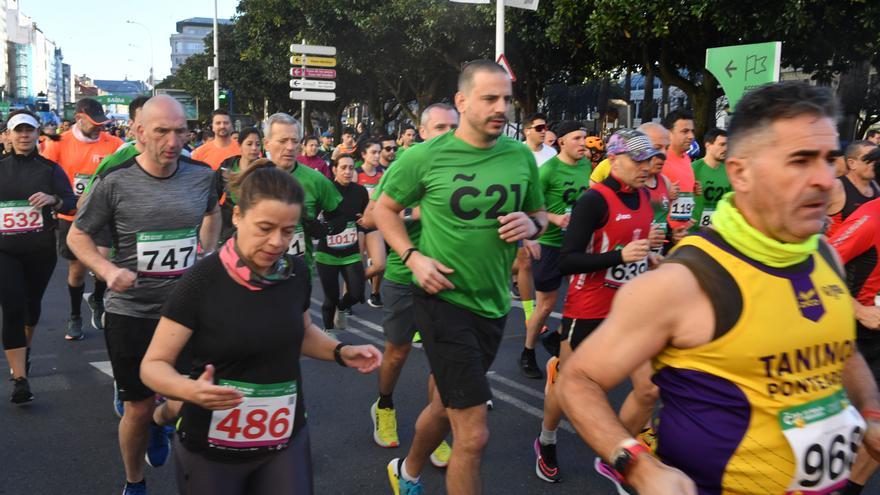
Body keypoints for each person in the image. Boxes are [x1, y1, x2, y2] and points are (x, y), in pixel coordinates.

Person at [557, 81, 880, 495]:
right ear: (741, 172)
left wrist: (869, 411)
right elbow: (578, 380)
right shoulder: (686, 281)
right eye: (799, 161)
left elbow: (841, 348)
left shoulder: (825, 256)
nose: (824, 179)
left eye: (829, 160)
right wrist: (635, 464)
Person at [139, 163, 381, 495]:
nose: (276, 242)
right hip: (213, 443)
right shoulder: (202, 280)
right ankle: (162, 418)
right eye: (265, 228)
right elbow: (153, 366)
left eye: (287, 230)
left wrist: (340, 351)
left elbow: (302, 333)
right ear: (237, 216)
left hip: (284, 437)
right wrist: (189, 391)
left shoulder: (294, 271)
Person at [375, 59, 546, 495]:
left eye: (506, 99)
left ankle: (406, 472)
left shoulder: (520, 155)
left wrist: (533, 225)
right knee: (473, 434)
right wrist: (412, 257)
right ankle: (412, 471)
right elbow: (384, 210)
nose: (501, 107)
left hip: (492, 304)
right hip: (442, 300)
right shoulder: (424, 157)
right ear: (462, 101)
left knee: (444, 402)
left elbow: (539, 213)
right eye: (490, 98)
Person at [67, 95, 222, 495]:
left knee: (193, 398)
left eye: (180, 130)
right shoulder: (115, 180)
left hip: (187, 311)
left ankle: (161, 421)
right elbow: (77, 235)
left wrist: (207, 251)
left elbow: (211, 212)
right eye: (161, 131)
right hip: (133, 312)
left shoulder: (201, 175)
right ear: (137, 132)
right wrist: (106, 270)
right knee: (136, 407)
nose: (173, 140)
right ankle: (134, 482)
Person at [533, 129, 658, 483]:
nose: (646, 166)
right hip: (589, 306)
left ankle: (615, 455)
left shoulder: (646, 197)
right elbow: (567, 261)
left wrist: (650, 259)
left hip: (632, 308)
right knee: (567, 386)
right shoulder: (594, 200)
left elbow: (635, 247)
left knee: (649, 388)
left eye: (648, 158)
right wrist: (620, 256)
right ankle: (547, 439)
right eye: (638, 159)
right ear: (614, 160)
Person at [360, 102, 459, 461]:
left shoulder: (471, 167)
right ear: (422, 132)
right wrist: (417, 211)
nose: (448, 134)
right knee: (398, 351)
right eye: (439, 128)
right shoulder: (409, 163)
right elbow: (370, 219)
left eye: (453, 127)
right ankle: (384, 406)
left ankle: (434, 428)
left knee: (442, 357)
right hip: (405, 275)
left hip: (449, 278)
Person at [0, 110, 77, 402]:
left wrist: (53, 199)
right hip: (4, 249)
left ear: (37, 135)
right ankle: (20, 379)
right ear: (7, 135)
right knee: (12, 306)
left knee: (31, 306)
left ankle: (25, 349)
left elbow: (71, 200)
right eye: (17, 131)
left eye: (28, 131)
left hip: (40, 249)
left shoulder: (49, 169)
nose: (23, 136)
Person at [41, 97, 123, 340]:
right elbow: (45, 173)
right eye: (94, 123)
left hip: (102, 215)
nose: (99, 127)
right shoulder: (58, 143)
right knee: (76, 273)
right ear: (78, 118)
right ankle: (75, 315)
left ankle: (98, 299)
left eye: (103, 123)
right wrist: (55, 199)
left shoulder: (114, 143)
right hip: (71, 216)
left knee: (102, 265)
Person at [520, 120, 592, 379]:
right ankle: (527, 352)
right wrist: (554, 219)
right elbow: (530, 206)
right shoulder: (548, 170)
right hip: (550, 243)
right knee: (547, 305)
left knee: (583, 301)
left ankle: (558, 338)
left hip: (577, 244)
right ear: (561, 142)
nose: (583, 143)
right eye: (577, 139)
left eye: (584, 138)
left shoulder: (586, 165)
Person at [262, 113, 342, 268]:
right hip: (258, 273)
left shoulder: (316, 180)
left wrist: (324, 229)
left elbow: (340, 218)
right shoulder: (253, 178)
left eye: (295, 141)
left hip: (298, 274)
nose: (290, 147)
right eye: (283, 141)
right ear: (266, 143)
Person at [315, 155, 369, 337]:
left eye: (351, 168)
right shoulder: (325, 190)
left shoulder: (360, 192)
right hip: (327, 254)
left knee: (357, 293)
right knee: (330, 296)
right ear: (334, 169)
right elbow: (313, 218)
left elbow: (364, 218)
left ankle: (343, 307)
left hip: (351, 252)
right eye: (343, 167)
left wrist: (364, 221)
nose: (347, 172)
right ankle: (329, 330)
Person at [217, 127, 263, 244]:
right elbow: (214, 194)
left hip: (256, 227)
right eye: (249, 144)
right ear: (240, 145)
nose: (254, 148)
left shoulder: (266, 168)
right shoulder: (227, 165)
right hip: (228, 227)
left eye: (257, 144)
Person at [826, 140, 879, 237]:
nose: (874, 164)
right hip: (839, 249)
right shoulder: (836, 187)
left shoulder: (875, 186)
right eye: (869, 160)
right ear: (852, 163)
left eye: (877, 160)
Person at [357, 139, 387, 308]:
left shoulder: (384, 173)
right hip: (358, 223)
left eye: (378, 152)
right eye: (373, 152)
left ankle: (374, 293)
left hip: (376, 223)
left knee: (380, 264)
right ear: (363, 155)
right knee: (355, 263)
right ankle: (348, 298)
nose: (377, 155)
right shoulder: (355, 173)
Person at [661, 109, 697, 231]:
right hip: (663, 237)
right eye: (685, 131)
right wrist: (666, 194)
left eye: (692, 131)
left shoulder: (686, 157)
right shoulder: (660, 159)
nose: (691, 136)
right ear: (669, 133)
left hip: (682, 234)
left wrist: (693, 189)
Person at [690, 128, 731, 231]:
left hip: (719, 231)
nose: (725, 149)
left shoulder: (729, 171)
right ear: (708, 145)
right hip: (694, 232)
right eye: (721, 145)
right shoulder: (693, 169)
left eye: (727, 145)